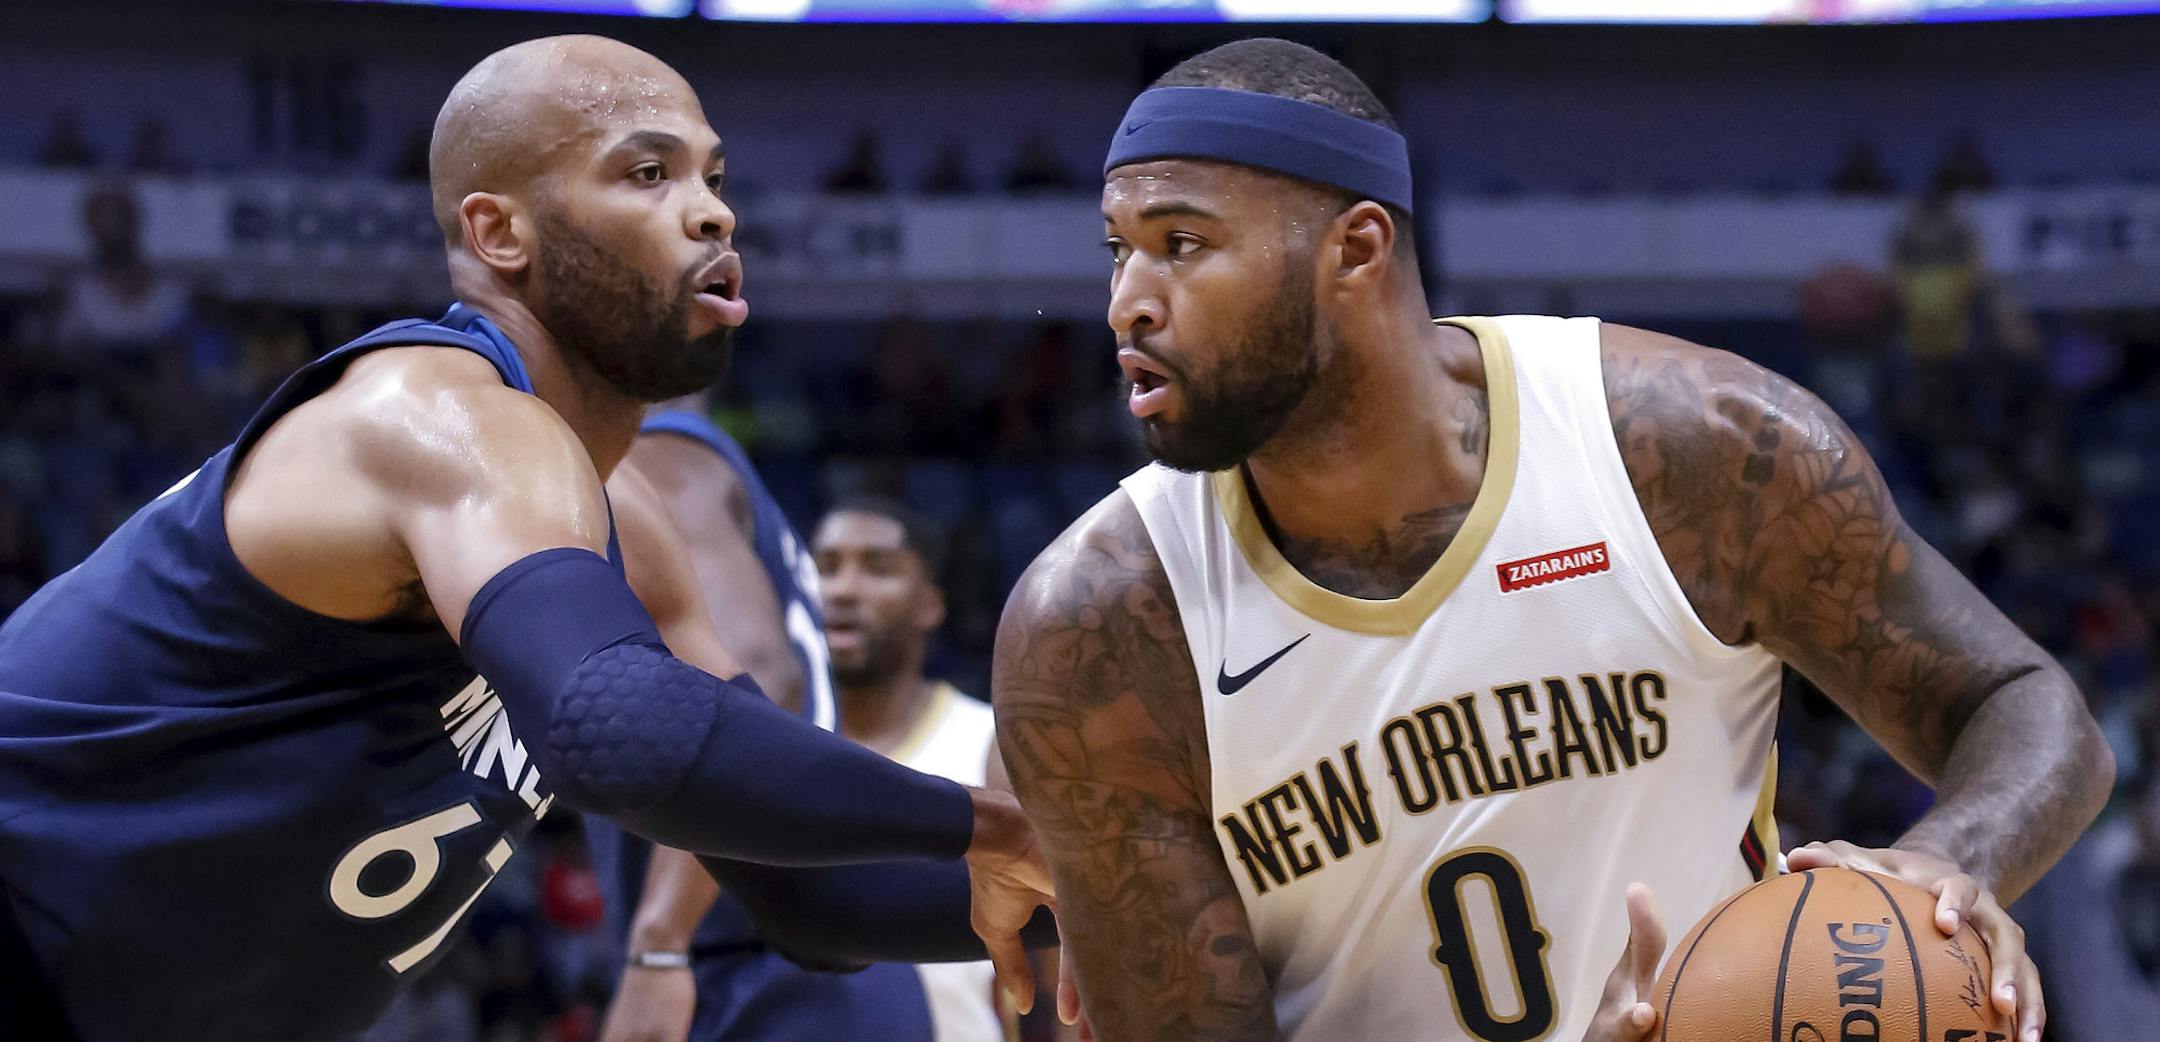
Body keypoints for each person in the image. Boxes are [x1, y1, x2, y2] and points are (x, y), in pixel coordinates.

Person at [991, 38, 2112, 1042]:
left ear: (1356, 249)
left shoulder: (1692, 451)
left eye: (1181, 243)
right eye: (1118, 252)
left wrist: (1946, 871)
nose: (1126, 303)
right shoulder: (1101, 630)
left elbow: (2020, 702)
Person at [0, 35, 1052, 1042]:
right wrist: (993, 822)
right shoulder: (433, 418)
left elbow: (816, 900)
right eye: (647, 174)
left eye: (714, 176)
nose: (712, 215)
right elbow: (622, 731)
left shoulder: (623, 529)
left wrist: (1109, 887)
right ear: (502, 233)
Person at [816, 497, 1007, 1042]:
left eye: (878, 568)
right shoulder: (766, 748)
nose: (843, 589)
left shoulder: (991, 742)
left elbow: (1054, 963)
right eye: (825, 568)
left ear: (930, 605)